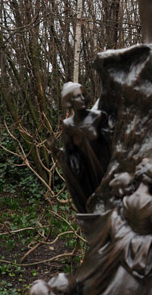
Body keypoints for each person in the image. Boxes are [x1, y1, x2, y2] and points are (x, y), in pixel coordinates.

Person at [48, 82, 110, 212]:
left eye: (83, 95)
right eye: (77, 96)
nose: (82, 99)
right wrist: (54, 149)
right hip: (88, 176)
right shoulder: (67, 125)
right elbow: (70, 154)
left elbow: (111, 142)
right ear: (69, 101)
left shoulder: (98, 117)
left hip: (106, 170)